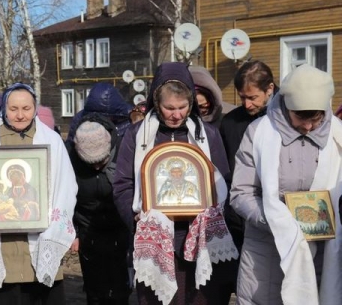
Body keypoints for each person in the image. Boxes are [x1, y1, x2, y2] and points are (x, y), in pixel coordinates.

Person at [113, 62, 237, 305]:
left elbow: (224, 180)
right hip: (154, 237)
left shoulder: (207, 134)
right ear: (156, 103)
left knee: (199, 298)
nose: (176, 114)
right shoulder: (137, 135)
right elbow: (122, 184)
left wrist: (215, 211)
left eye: (182, 107)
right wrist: (134, 216)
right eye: (169, 108)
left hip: (198, 237)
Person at [230, 64, 342, 304]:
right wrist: (276, 221)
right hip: (266, 255)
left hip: (321, 254)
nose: (309, 126)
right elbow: (241, 193)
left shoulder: (338, 136)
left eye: (317, 118)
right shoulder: (259, 133)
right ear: (286, 106)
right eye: (301, 117)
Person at [0, 83, 77, 304]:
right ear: (4, 108)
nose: (20, 115)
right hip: (0, 242)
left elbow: (66, 186)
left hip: (41, 236)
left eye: (26, 108)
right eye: (14, 109)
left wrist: (52, 220)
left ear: (35, 109)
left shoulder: (50, 141)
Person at [68, 114, 131, 304]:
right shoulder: (71, 158)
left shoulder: (123, 150)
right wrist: (74, 231)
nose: (96, 167)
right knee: (94, 290)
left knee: (120, 288)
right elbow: (67, 199)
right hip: (88, 232)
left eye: (101, 161)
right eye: (90, 162)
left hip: (120, 228)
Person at [219, 60, 277, 254]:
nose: (247, 104)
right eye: (242, 97)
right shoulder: (230, 123)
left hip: (277, 212)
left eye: (253, 97)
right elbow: (226, 169)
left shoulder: (287, 118)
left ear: (270, 88)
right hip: (238, 217)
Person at [66, 82, 133, 147]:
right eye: (98, 117)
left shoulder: (132, 119)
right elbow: (71, 145)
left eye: (106, 118)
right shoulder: (80, 118)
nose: (102, 120)